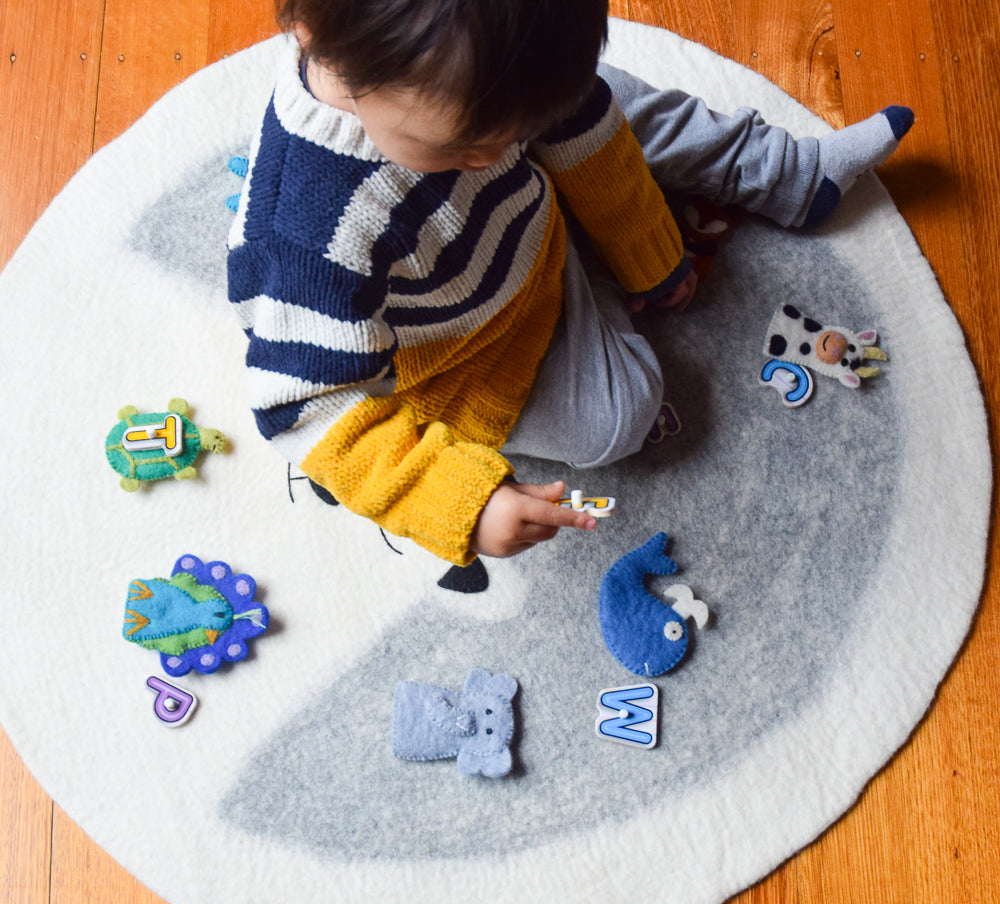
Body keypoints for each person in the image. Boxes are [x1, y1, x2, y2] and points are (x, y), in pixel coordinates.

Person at [228, 0, 912, 565]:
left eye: (512, 133)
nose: (498, 156)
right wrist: (466, 504)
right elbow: (305, 411)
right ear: (313, 36)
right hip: (474, 352)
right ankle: (593, 268)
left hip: (527, 226)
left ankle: (782, 172)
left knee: (603, 98)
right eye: (461, 147)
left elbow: (579, 128)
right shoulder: (303, 241)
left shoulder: (494, 92)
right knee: (618, 417)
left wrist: (647, 246)